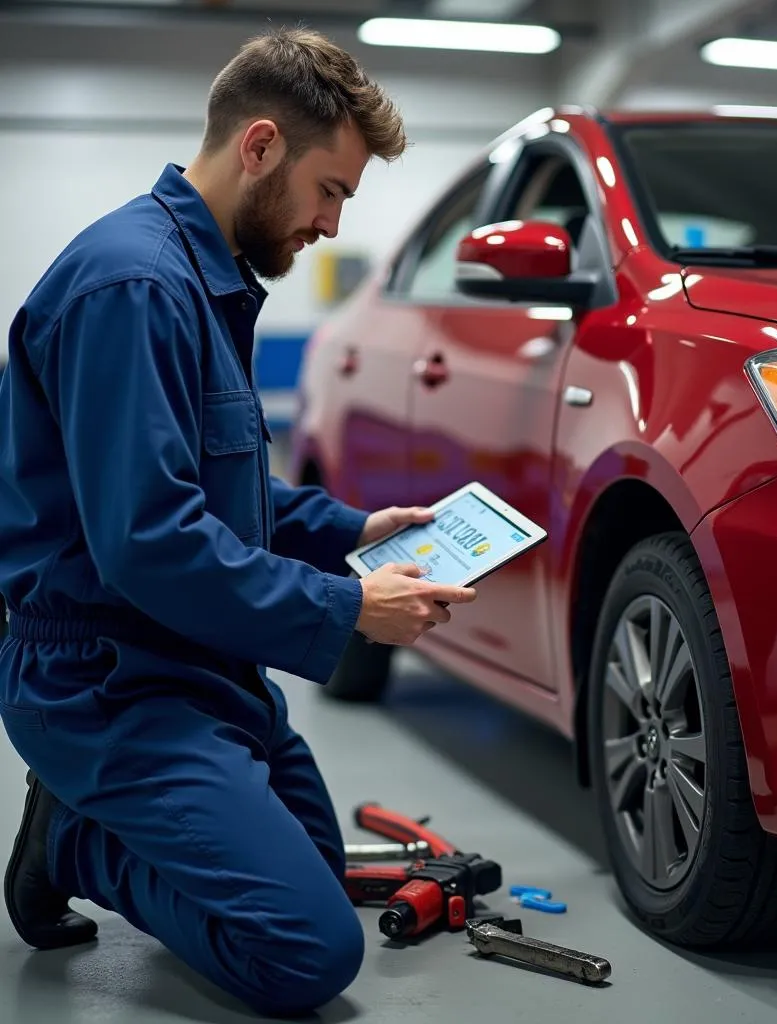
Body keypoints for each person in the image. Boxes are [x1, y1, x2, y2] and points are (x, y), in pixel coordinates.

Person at [0, 26, 477, 1018]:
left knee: (314, 881)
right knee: (305, 953)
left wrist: (351, 527)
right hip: (104, 677)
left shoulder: (203, 279)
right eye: (331, 190)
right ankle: (74, 840)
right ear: (260, 145)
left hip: (199, 662)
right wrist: (349, 608)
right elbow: (152, 543)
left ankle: (107, 819)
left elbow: (222, 495)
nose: (333, 225)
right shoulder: (132, 286)